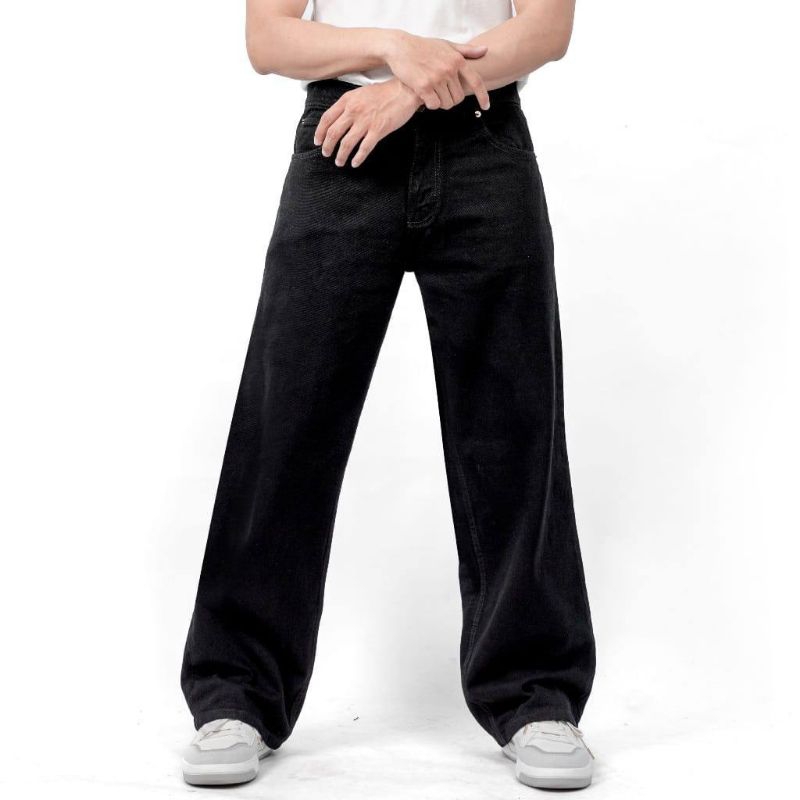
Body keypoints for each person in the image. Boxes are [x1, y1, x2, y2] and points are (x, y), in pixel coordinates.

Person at [179, 0, 596, 790]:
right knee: (286, 423)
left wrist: (410, 88)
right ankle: (237, 693)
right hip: (343, 141)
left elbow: (546, 31)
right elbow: (269, 39)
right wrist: (393, 48)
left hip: (484, 145)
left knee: (513, 427)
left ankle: (536, 695)